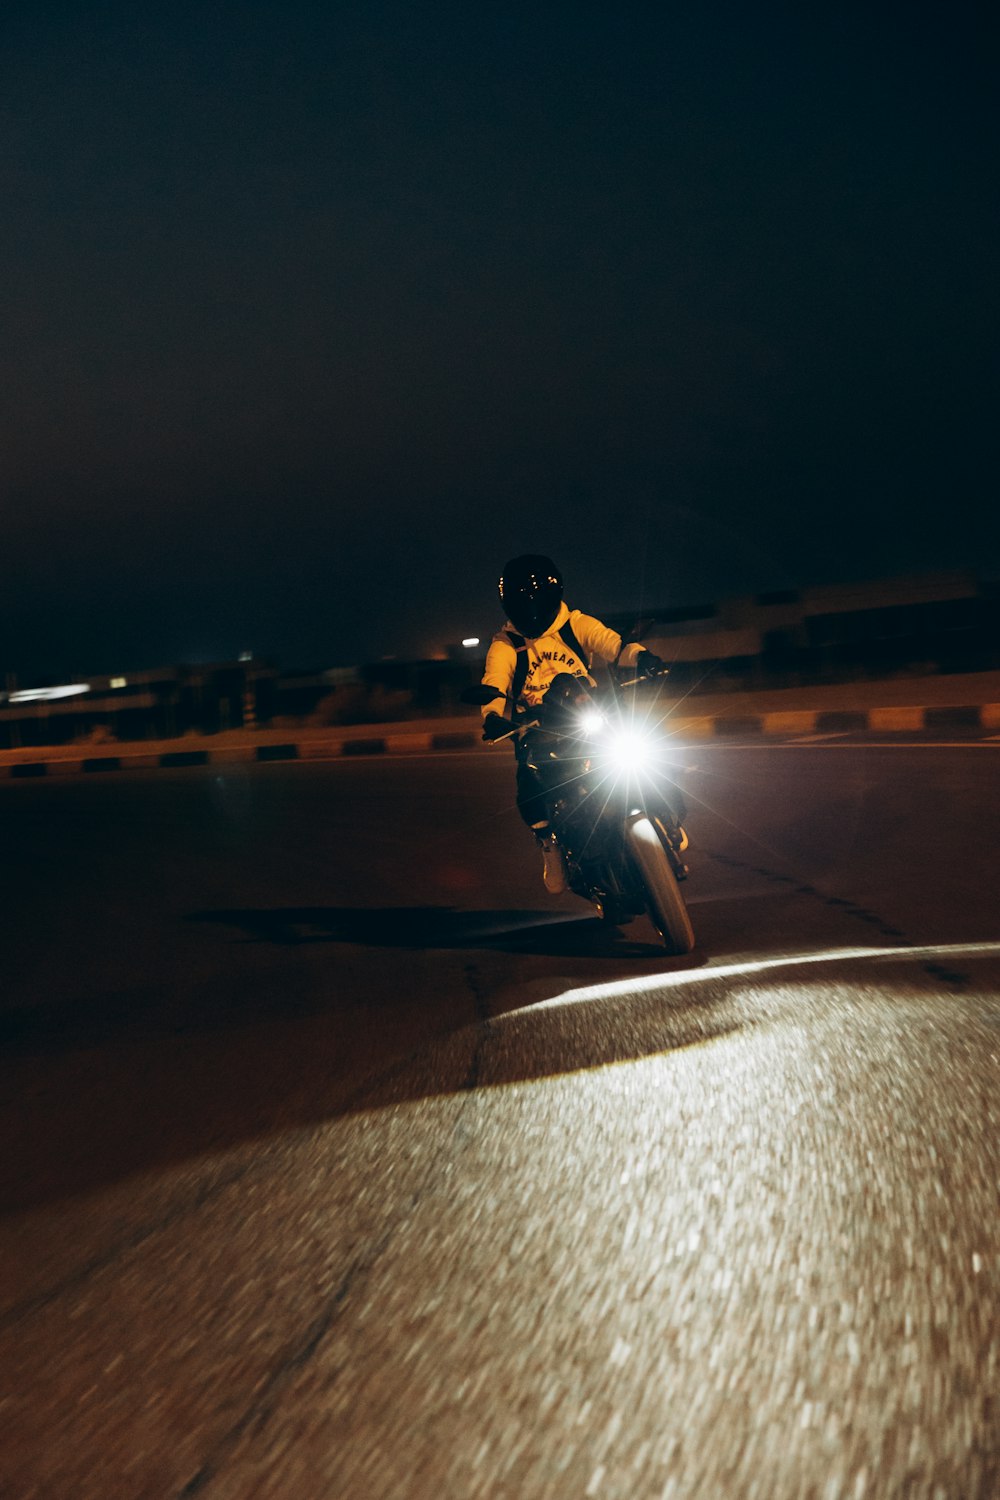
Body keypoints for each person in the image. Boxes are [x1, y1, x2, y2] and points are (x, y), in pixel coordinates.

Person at [479, 554, 666, 893]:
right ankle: (549, 843)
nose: (532, 610)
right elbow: (495, 681)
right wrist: (492, 715)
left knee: (649, 749)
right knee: (529, 784)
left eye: (538, 600)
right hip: (539, 730)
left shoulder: (574, 624)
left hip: (589, 713)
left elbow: (612, 643)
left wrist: (642, 658)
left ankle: (666, 814)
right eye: (524, 603)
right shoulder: (506, 645)